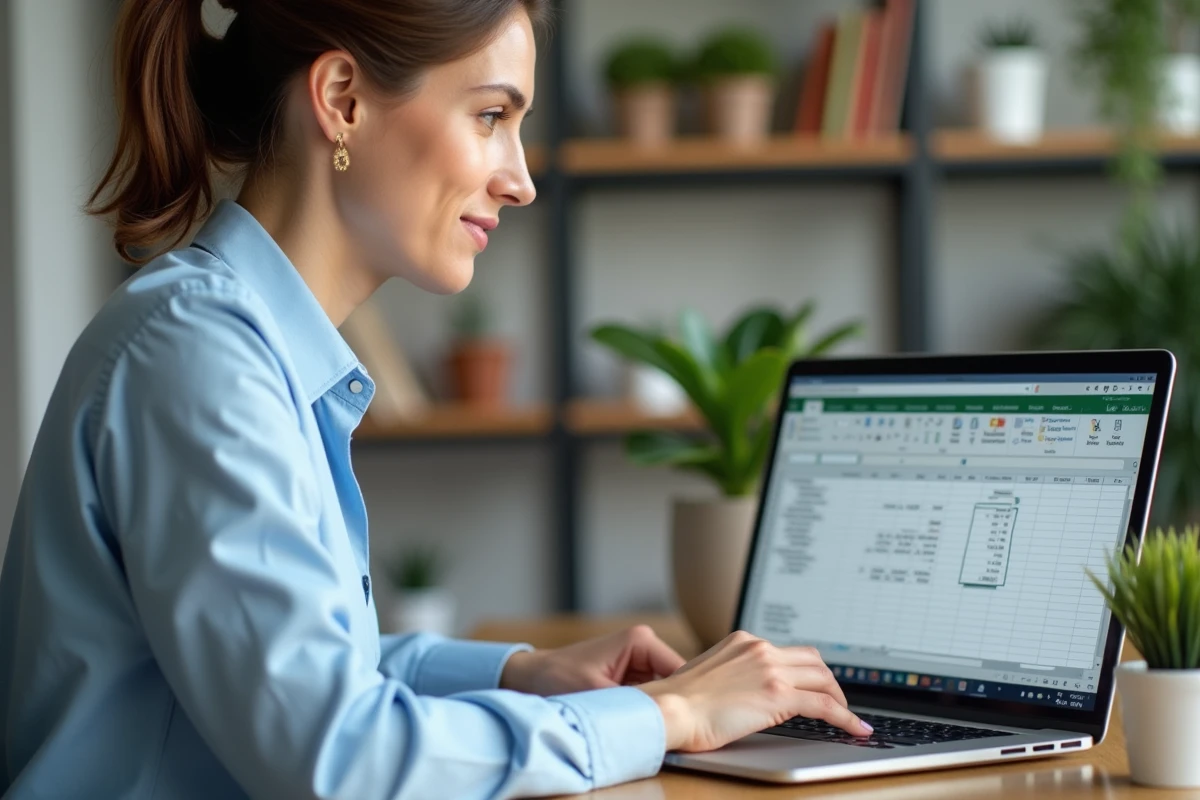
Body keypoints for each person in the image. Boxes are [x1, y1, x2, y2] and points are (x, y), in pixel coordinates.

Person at [0, 0, 873, 797]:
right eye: (492, 116)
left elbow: (297, 665)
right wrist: (670, 716)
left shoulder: (237, 341)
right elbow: (338, 754)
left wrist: (519, 673)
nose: (521, 179)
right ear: (342, 99)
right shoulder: (199, 357)